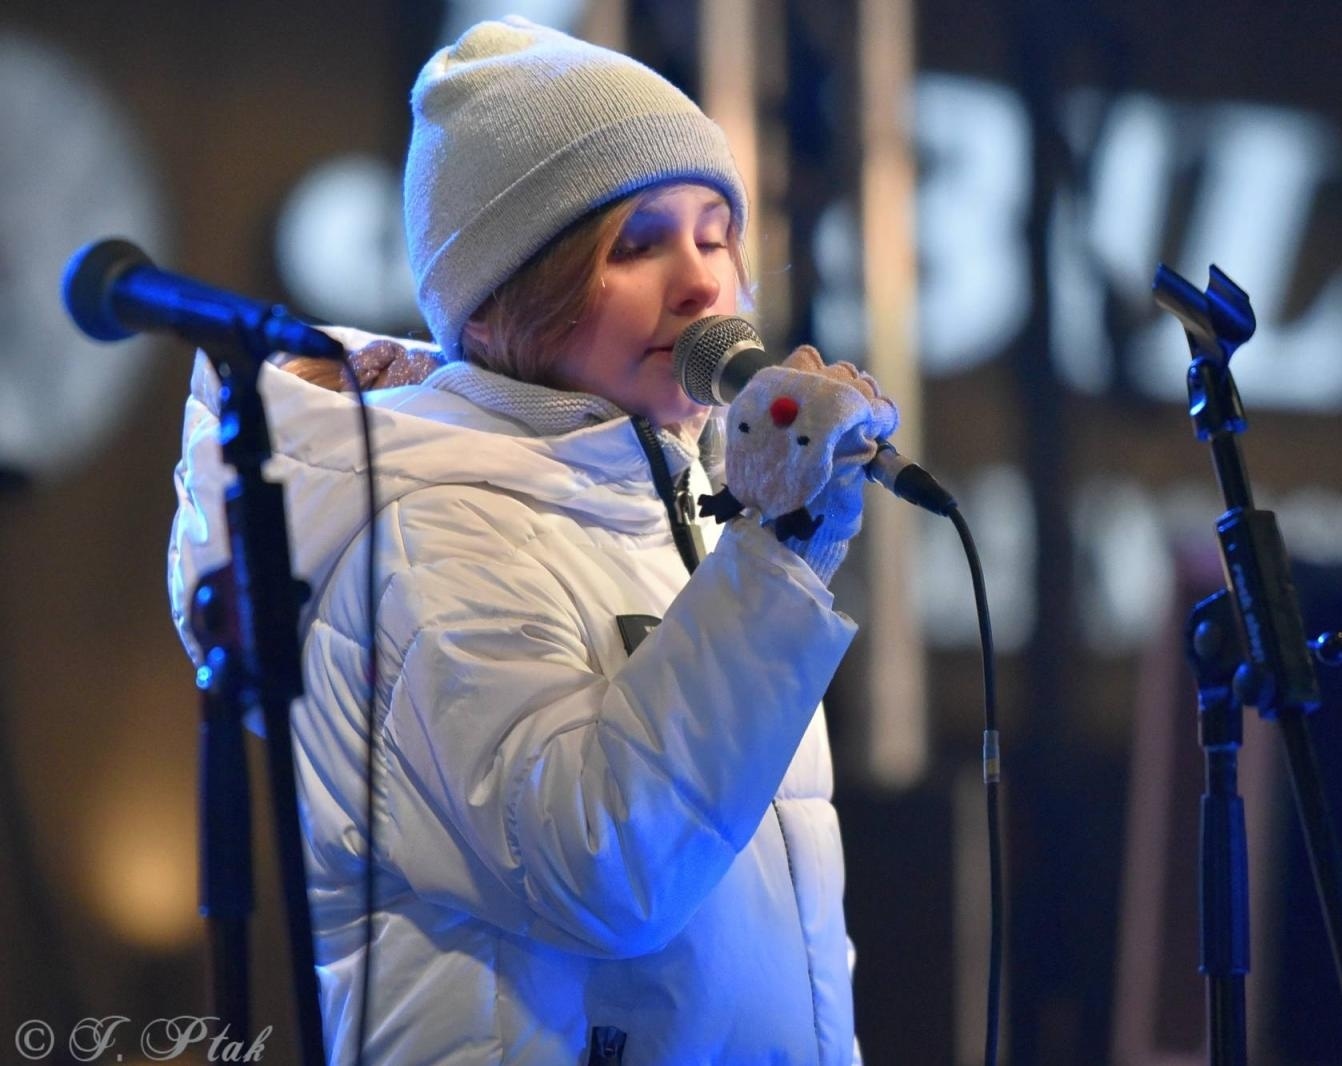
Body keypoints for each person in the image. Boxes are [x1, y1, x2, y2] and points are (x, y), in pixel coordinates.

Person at [168, 17, 887, 1064]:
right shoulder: (424, 524)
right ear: (507, 299)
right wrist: (776, 559)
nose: (699, 285)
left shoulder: (683, 498)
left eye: (714, 232)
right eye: (637, 243)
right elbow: (601, 867)